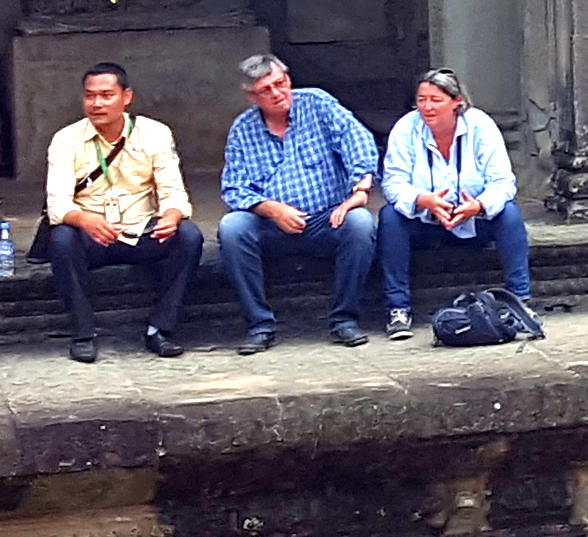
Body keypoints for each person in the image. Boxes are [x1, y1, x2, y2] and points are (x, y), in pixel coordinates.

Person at [212, 51, 381, 349]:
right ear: (252, 97)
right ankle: (260, 325)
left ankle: (345, 320)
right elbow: (233, 188)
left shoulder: (317, 103)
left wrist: (360, 190)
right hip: (270, 225)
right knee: (232, 227)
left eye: (281, 83)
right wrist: (272, 209)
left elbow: (357, 140)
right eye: (266, 90)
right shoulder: (242, 129)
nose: (277, 93)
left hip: (327, 218)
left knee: (361, 223)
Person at [39, 61, 195, 361]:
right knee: (60, 240)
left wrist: (171, 216)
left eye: (106, 95)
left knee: (188, 236)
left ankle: (160, 329)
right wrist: (84, 220)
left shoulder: (155, 133)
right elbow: (58, 204)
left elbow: (173, 191)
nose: (96, 103)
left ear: (126, 97)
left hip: (141, 231)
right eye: (89, 96)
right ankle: (83, 333)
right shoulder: (65, 140)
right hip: (92, 235)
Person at [379, 68, 530, 329]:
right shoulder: (406, 128)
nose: (427, 107)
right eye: (421, 100)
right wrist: (422, 200)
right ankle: (398, 308)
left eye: (436, 100)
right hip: (425, 223)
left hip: (473, 222)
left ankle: (521, 300)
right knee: (390, 217)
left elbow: (503, 182)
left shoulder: (480, 125)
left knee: (510, 213)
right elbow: (393, 183)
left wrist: (479, 205)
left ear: (457, 101)